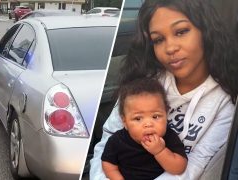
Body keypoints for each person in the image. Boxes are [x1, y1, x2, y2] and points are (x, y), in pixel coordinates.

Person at [90, 0, 238, 179]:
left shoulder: (226, 103)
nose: (170, 48)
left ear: (205, 31)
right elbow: (108, 141)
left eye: (181, 31)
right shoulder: (144, 83)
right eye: (158, 39)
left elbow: (196, 166)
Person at [101, 78, 187, 180]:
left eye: (155, 116)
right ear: (125, 121)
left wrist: (160, 151)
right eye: (138, 118)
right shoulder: (117, 140)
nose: (148, 124)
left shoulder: (168, 136)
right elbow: (108, 165)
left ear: (166, 114)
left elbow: (179, 168)